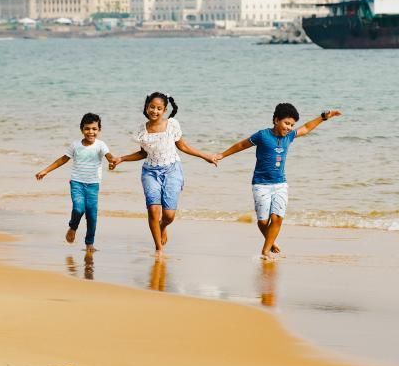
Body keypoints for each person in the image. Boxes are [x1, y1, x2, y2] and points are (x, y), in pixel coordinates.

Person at [218, 103, 341, 259]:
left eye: (291, 125)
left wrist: (323, 117)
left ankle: (265, 251)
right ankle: (271, 241)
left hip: (280, 184)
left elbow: (306, 128)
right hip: (261, 184)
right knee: (263, 222)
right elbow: (242, 144)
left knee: (277, 218)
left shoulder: (289, 136)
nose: (289, 127)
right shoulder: (262, 135)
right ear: (276, 120)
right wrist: (222, 155)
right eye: (286, 123)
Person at [109, 92, 219, 256]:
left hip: (172, 170)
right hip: (150, 172)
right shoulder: (142, 130)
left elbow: (184, 147)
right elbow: (143, 153)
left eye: (159, 108)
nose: (154, 111)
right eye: (152, 107)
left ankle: (162, 226)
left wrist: (206, 156)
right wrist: (121, 159)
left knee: (169, 215)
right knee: (153, 210)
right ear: (146, 107)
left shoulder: (172, 125)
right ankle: (159, 248)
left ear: (165, 110)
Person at [35, 113, 115, 251]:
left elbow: (110, 157)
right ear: (82, 129)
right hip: (77, 183)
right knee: (78, 208)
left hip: (93, 185)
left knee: (92, 215)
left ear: (99, 130)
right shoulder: (75, 145)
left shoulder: (101, 145)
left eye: (94, 129)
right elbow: (62, 160)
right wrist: (45, 171)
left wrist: (113, 162)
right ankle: (73, 227)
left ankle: (89, 243)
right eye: (87, 128)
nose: (91, 132)